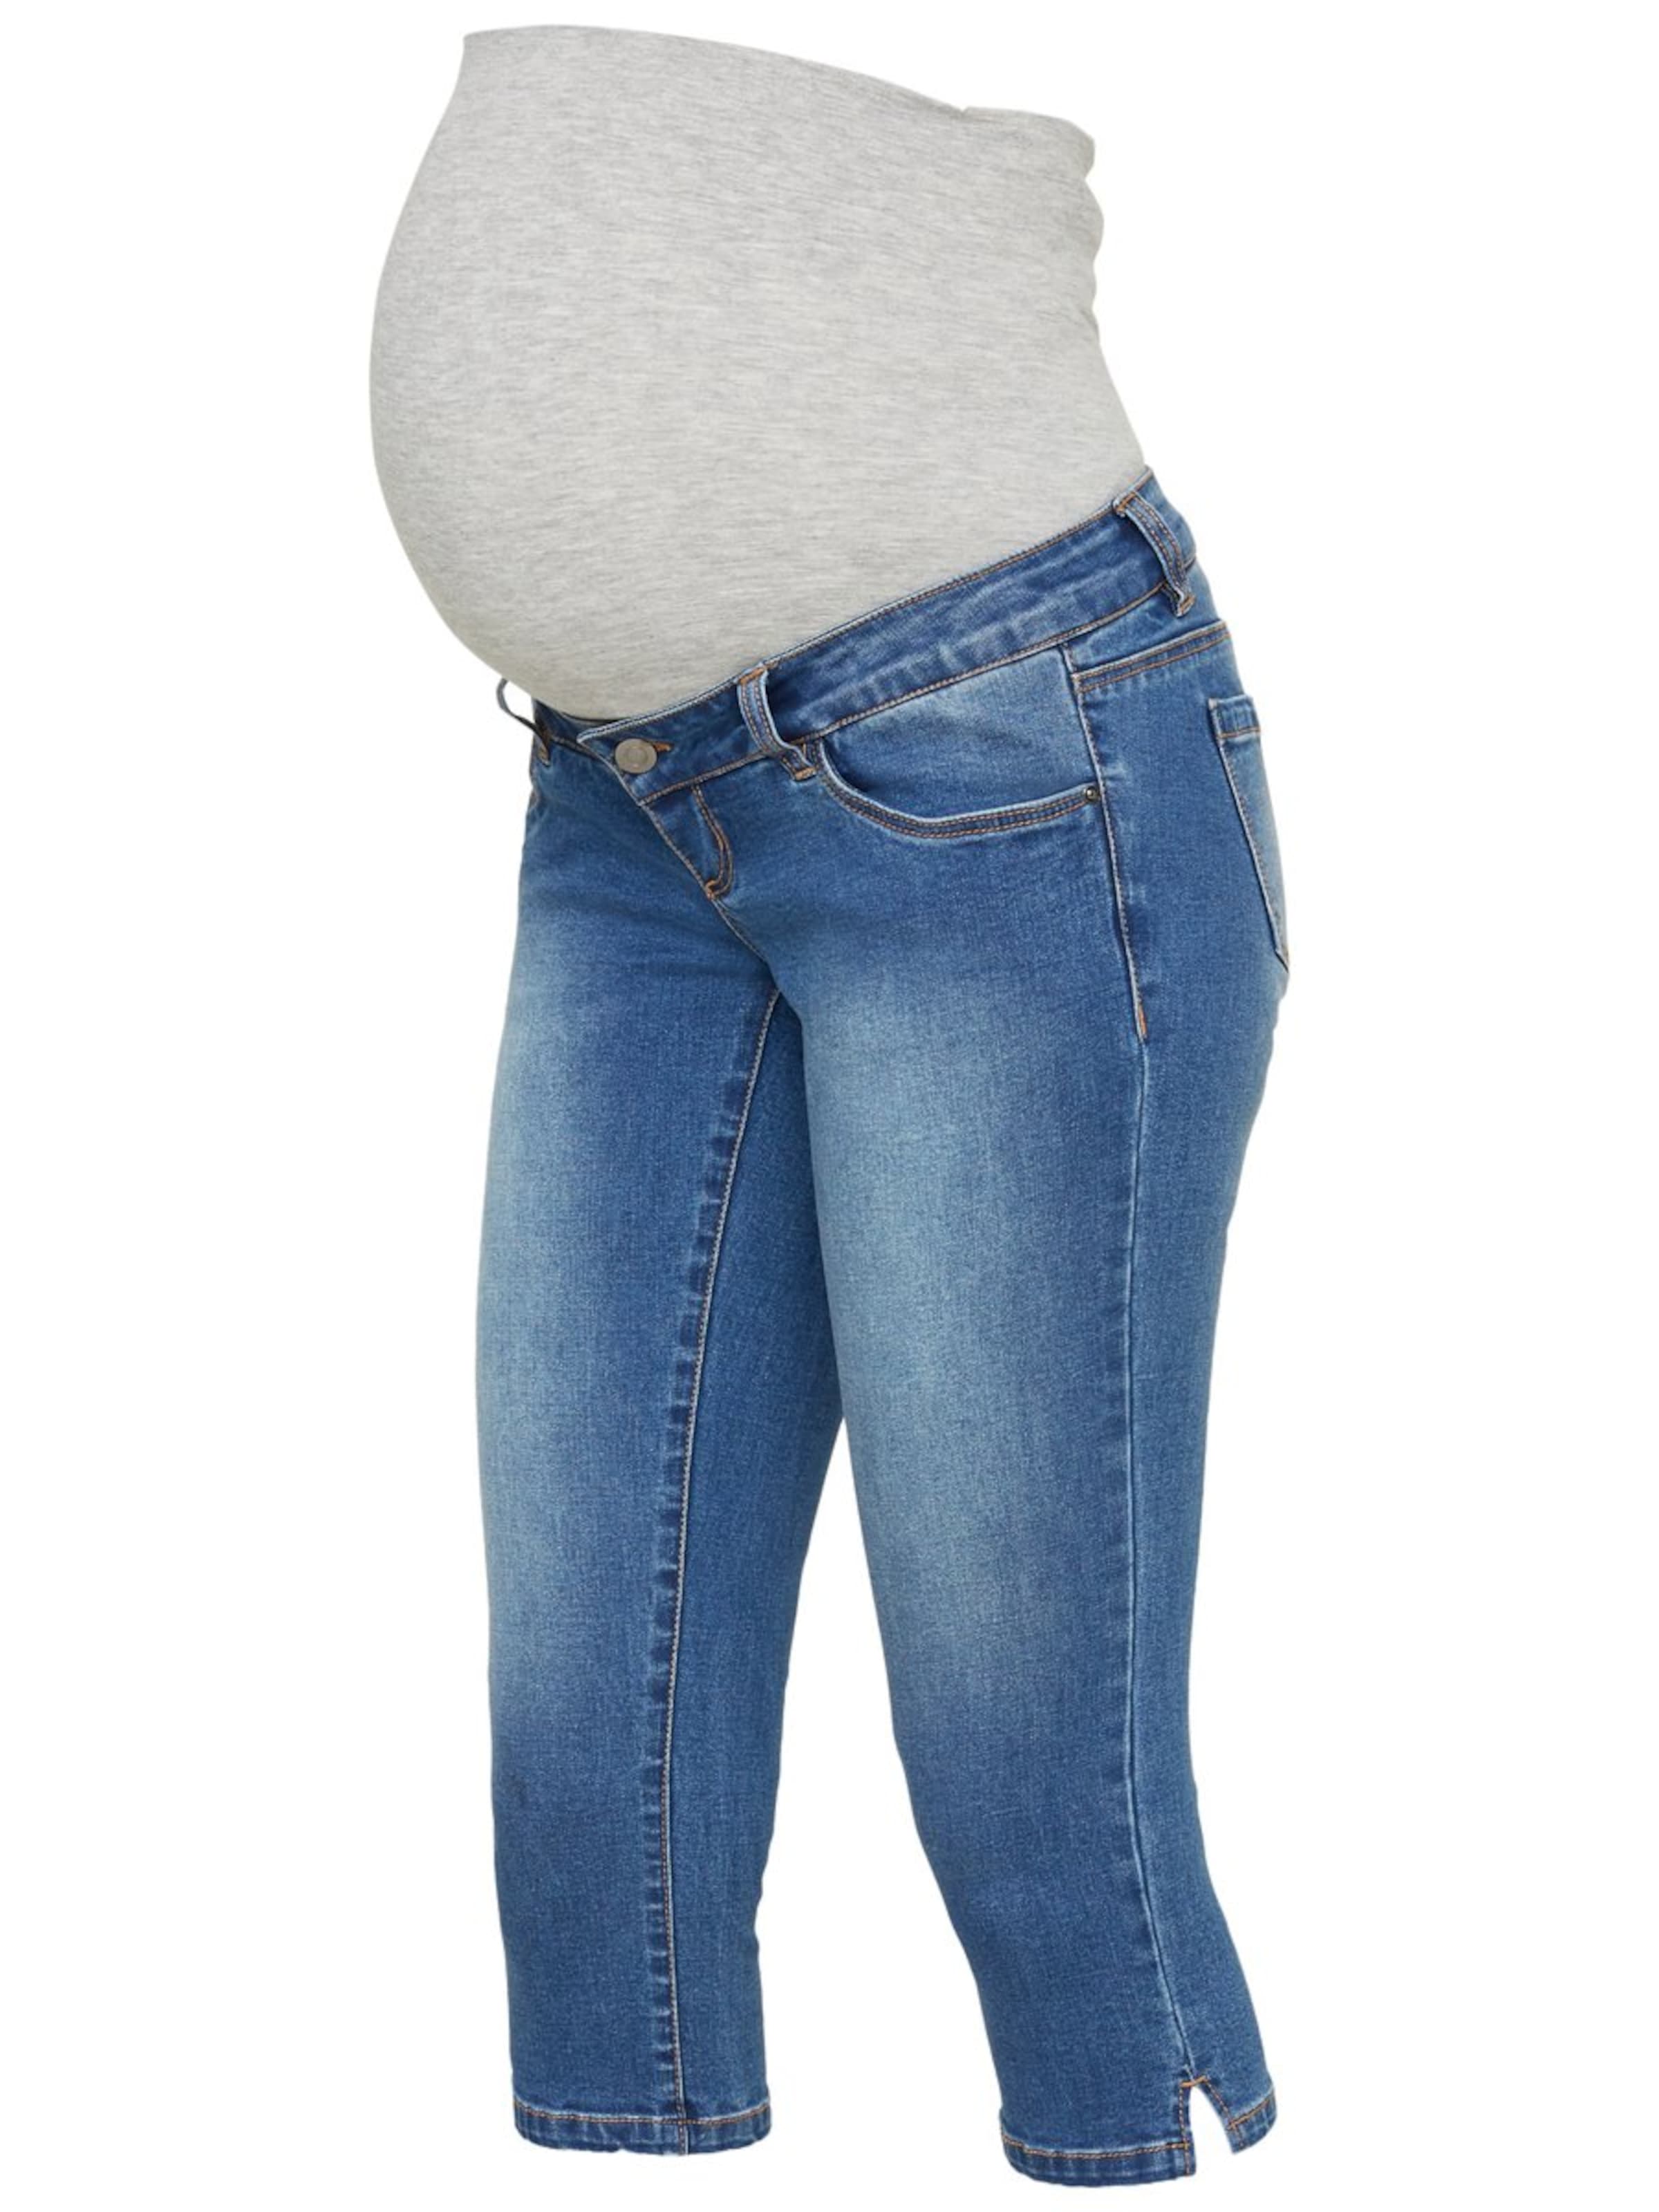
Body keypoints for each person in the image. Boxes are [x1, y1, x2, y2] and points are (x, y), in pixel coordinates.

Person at [370, 26, 1290, 2187]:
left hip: (997, 755)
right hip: (629, 797)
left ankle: (1142, 2156)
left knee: (1026, 1733)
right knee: (593, 1703)